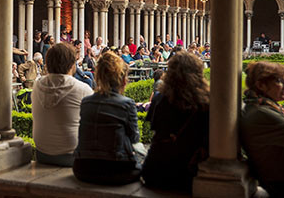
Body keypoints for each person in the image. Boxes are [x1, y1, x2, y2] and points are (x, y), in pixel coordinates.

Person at [141, 52, 209, 192]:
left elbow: (154, 130)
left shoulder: (160, 99)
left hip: (156, 172)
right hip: (187, 174)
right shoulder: (205, 103)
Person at [73, 52, 141, 185]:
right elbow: (134, 138)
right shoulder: (127, 104)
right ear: (122, 80)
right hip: (116, 170)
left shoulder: (86, 102)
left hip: (82, 169)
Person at [32, 42, 93, 166]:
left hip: (42, 153)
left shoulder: (37, 84)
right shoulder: (82, 89)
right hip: (72, 156)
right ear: (72, 64)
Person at [240, 61, 284, 197]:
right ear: (261, 85)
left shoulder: (259, 106)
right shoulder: (262, 113)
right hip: (279, 183)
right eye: (279, 81)